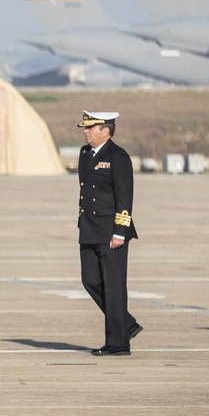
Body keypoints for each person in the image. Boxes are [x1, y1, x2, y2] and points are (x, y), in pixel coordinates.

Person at [77, 111, 142, 356]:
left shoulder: (118, 156)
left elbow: (124, 196)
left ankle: (118, 343)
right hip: (89, 228)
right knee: (90, 280)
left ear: (106, 130)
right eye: (85, 128)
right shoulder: (85, 154)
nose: (86, 131)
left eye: (91, 128)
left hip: (111, 231)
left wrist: (120, 232)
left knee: (114, 287)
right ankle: (126, 323)